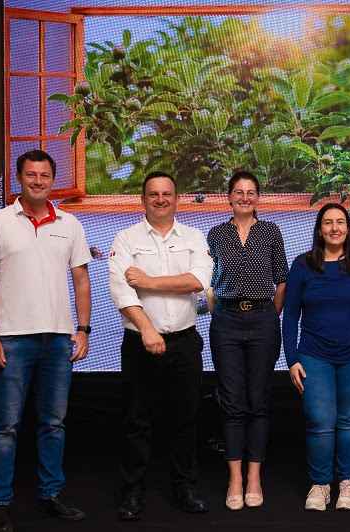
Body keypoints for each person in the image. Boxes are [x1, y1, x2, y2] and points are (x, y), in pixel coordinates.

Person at [0, 149, 92, 532]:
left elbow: (81, 279)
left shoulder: (70, 224)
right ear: (18, 178)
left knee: (53, 423)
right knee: (5, 425)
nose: (37, 181)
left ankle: (50, 494)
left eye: (44, 175)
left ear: (52, 180)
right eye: (30, 175)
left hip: (58, 339)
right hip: (11, 340)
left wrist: (84, 329)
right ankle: (0, 502)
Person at [108, 171, 213, 520]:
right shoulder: (125, 239)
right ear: (143, 199)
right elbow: (122, 291)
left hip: (184, 343)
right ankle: (132, 492)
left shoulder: (194, 237)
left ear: (176, 198)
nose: (160, 199)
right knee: (137, 420)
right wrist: (148, 329)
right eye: (153, 194)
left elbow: (197, 281)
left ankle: (184, 488)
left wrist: (148, 281)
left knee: (185, 418)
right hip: (140, 342)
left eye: (167, 193)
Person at [283, 203, 350, 511]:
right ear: (319, 229)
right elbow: (290, 317)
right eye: (327, 223)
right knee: (320, 421)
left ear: (348, 228)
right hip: (314, 356)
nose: (334, 228)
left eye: (340, 222)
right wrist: (292, 359)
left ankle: (347, 483)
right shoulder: (303, 266)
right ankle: (320, 485)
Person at [207, 171, 288, 510]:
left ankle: (254, 476)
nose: (244, 197)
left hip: (262, 321)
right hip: (225, 321)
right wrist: (220, 314)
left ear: (258, 197)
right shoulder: (215, 234)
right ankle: (235, 477)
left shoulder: (271, 231)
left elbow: (281, 279)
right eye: (238, 192)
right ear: (229, 196)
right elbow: (208, 283)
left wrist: (269, 315)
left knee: (258, 400)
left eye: (251, 192)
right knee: (232, 401)